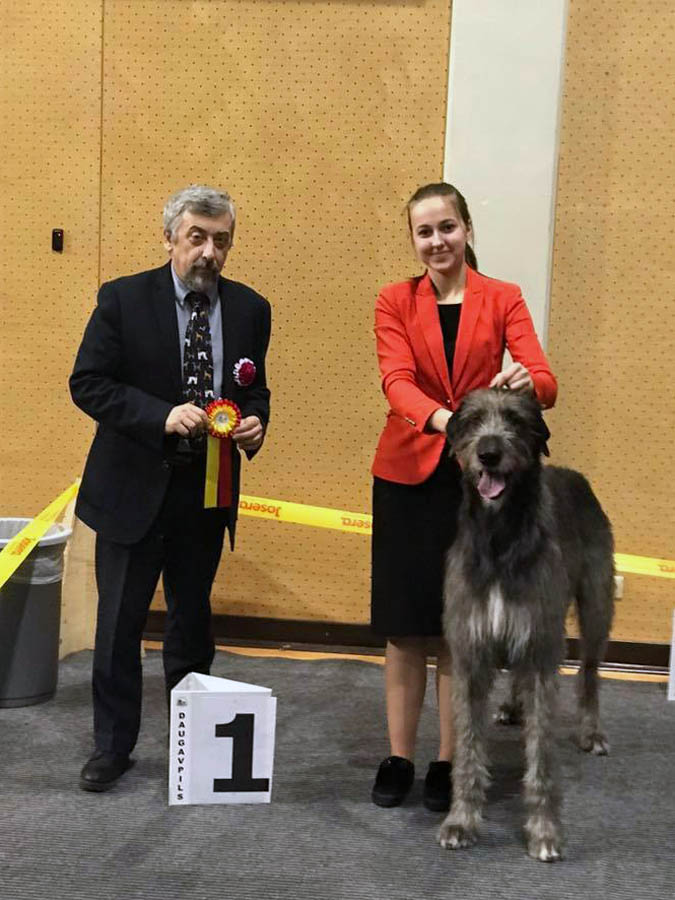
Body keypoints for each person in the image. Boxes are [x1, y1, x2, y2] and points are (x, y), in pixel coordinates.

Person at [70, 185, 271, 792]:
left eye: (221, 240)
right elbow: (88, 384)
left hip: (206, 495)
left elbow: (252, 388)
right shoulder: (123, 299)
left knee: (191, 626)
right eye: (197, 238)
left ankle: (194, 746)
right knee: (119, 626)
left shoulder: (251, 308)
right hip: (132, 488)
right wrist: (159, 414)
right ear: (169, 239)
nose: (209, 252)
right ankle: (113, 748)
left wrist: (258, 422)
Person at [369, 182, 557, 811]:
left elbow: (546, 380)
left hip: (478, 489)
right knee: (403, 629)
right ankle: (398, 756)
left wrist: (530, 376)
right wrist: (456, 426)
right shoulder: (394, 301)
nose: (437, 241)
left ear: (467, 229)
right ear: (414, 241)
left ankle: (450, 760)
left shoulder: (503, 298)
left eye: (447, 227)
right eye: (424, 232)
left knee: (458, 633)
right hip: (408, 475)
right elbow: (396, 383)